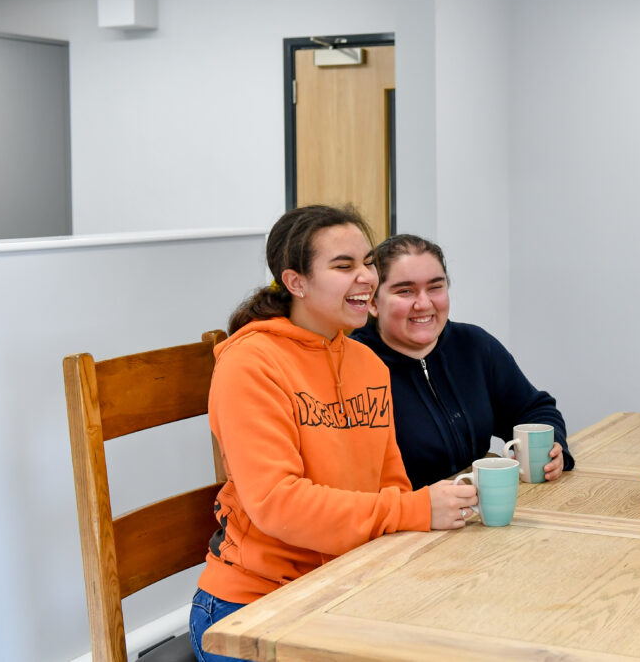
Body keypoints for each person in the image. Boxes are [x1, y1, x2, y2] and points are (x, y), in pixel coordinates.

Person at [188, 206, 477, 662]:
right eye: (343, 266)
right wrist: (413, 509)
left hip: (346, 587)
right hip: (254, 605)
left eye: (367, 263)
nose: (365, 277)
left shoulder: (368, 364)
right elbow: (278, 504)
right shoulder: (250, 364)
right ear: (296, 282)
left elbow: (391, 485)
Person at [351, 234, 574, 488]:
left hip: (477, 508)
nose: (423, 303)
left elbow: (533, 409)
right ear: (372, 303)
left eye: (435, 287)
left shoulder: (474, 344)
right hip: (404, 520)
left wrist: (554, 448)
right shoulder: (352, 364)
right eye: (405, 291)